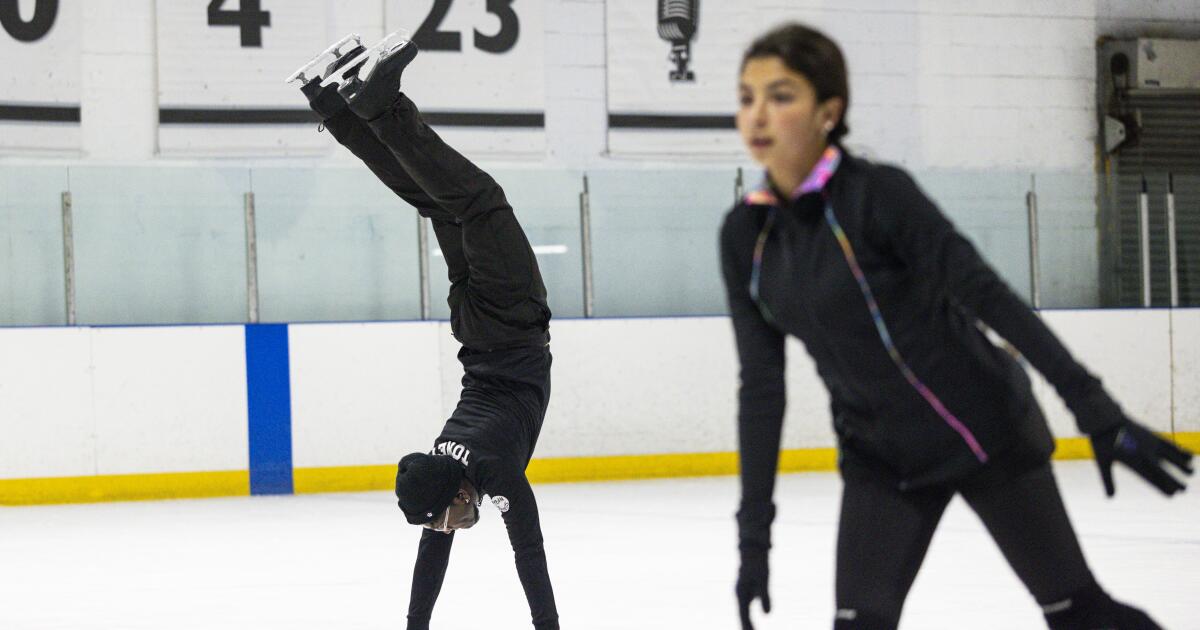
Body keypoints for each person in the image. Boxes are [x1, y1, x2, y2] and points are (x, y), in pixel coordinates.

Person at [720, 22, 1193, 630]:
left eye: (781, 95)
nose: (758, 113)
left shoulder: (878, 197)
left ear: (828, 111)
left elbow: (985, 295)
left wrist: (1092, 404)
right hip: (880, 459)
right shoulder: (746, 238)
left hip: (985, 432)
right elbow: (762, 388)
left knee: (1077, 612)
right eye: (746, 96)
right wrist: (752, 539)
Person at [296, 38, 558, 630]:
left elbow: (530, 555)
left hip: (510, 322)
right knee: (442, 207)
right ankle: (336, 108)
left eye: (444, 521)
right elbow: (431, 553)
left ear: (460, 494)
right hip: (472, 328)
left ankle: (382, 104)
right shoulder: (440, 460)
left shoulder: (490, 471)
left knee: (480, 203)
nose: (447, 530)